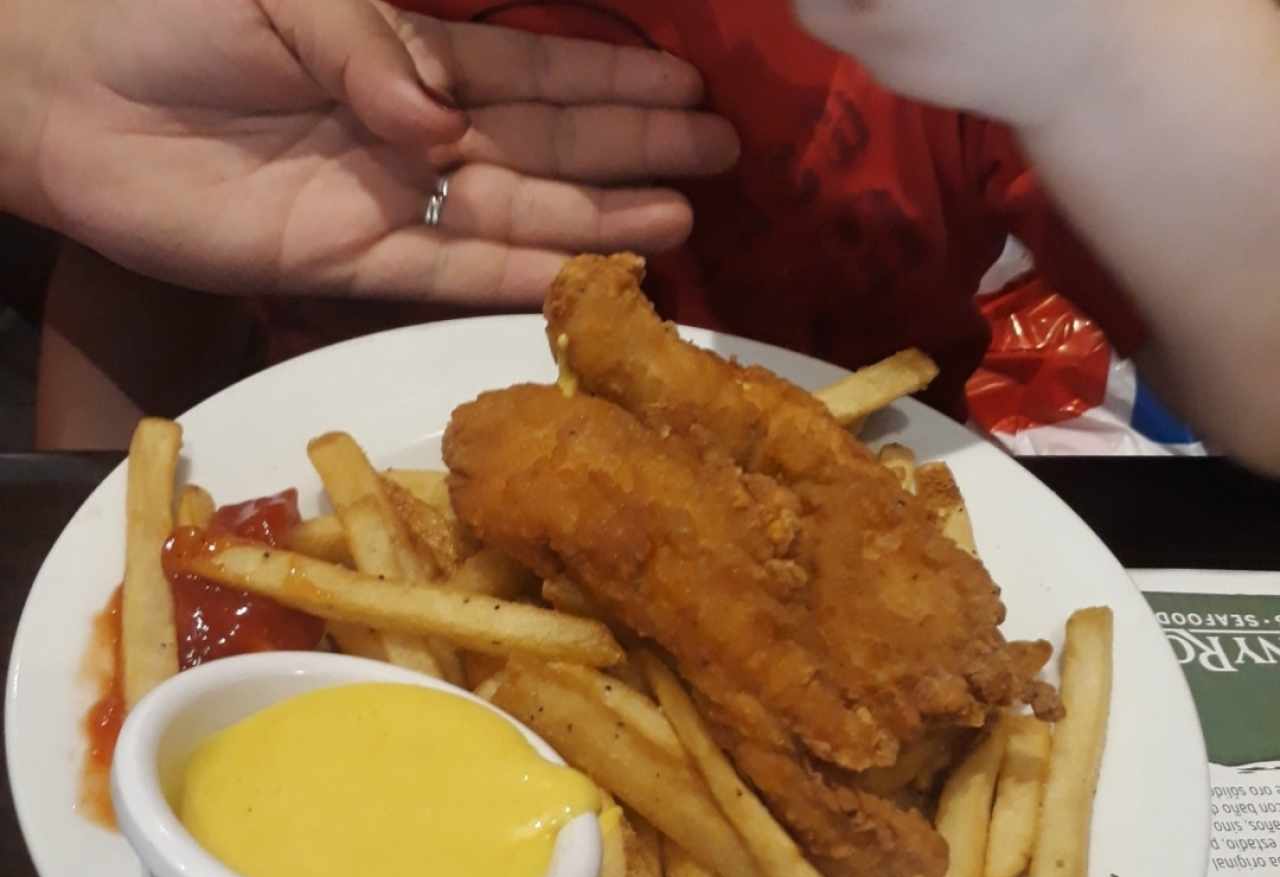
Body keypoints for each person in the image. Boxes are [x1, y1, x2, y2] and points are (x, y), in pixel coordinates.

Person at [17, 0, 1280, 470]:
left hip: (860, 527)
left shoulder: (954, 40)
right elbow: (140, 275)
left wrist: (1116, 54)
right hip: (318, 538)